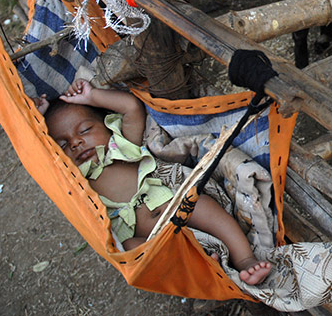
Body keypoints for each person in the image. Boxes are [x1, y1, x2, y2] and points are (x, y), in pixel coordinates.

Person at [34, 79, 271, 285]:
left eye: (85, 130)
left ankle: (244, 259)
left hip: (175, 204)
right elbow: (43, 163)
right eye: (63, 145)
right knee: (131, 250)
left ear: (106, 126)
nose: (75, 143)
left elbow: (131, 107)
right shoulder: (74, 180)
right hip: (150, 236)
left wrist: (91, 96)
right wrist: (36, 121)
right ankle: (200, 265)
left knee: (204, 205)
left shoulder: (120, 146)